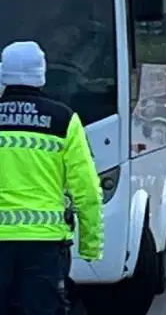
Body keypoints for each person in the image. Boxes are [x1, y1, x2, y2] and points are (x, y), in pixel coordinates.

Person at [0, 41, 103, 314]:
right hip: (43, 247)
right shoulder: (63, 119)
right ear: (41, 74)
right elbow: (88, 190)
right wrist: (90, 245)